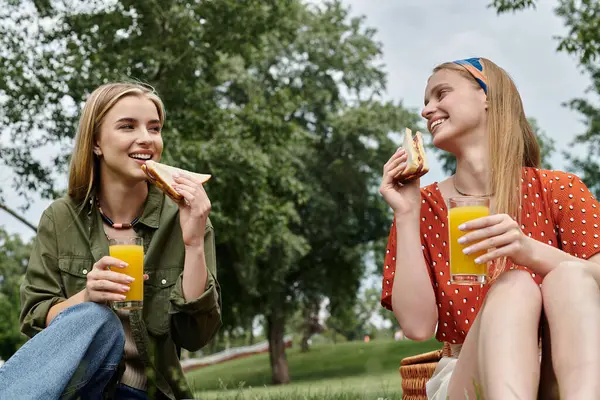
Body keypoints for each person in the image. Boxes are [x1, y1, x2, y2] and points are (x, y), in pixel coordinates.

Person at [379, 57, 600, 400]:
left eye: (441, 94)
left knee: (571, 276)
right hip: (469, 372)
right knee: (514, 286)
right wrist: (407, 214)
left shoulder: (560, 189)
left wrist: (530, 252)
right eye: (425, 101)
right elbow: (418, 327)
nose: (427, 110)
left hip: (568, 366)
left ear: (488, 96)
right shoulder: (421, 206)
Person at [0, 82, 222, 399]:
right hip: (75, 387)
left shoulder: (186, 217)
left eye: (154, 128)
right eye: (127, 126)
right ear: (96, 143)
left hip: (144, 391)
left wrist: (194, 242)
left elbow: (196, 335)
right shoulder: (60, 218)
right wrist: (87, 295)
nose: (146, 138)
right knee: (95, 318)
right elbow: (36, 317)